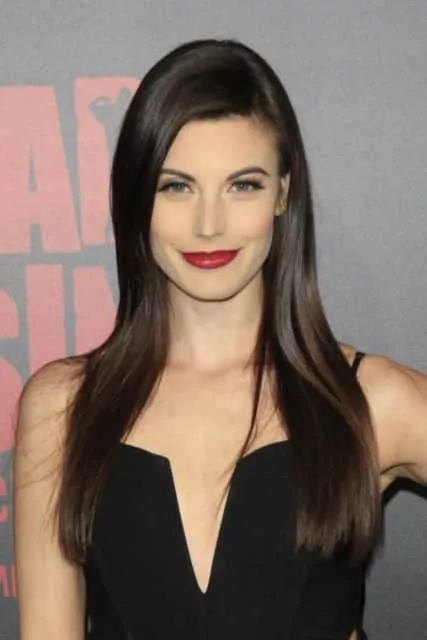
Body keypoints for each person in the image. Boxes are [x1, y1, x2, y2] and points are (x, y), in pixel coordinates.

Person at [13, 38, 427, 640]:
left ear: (283, 192)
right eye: (176, 186)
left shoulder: (369, 401)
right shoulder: (63, 409)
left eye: (243, 185)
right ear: (137, 197)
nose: (209, 225)